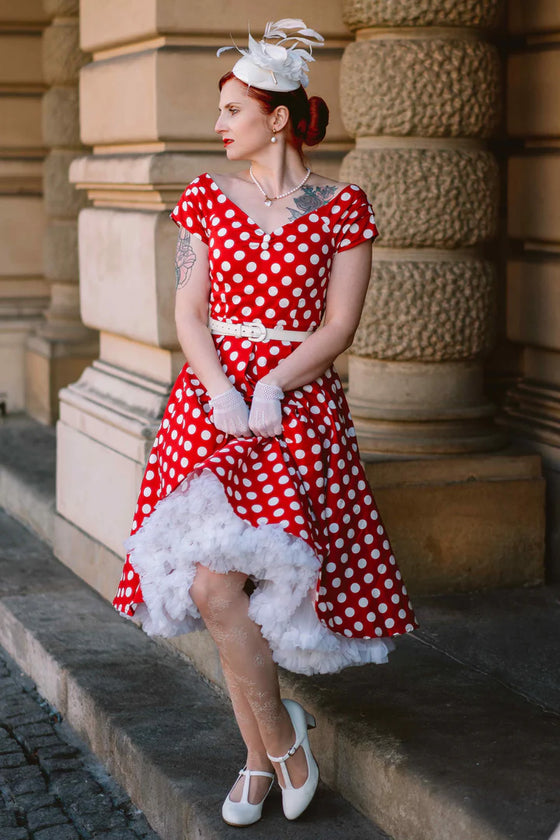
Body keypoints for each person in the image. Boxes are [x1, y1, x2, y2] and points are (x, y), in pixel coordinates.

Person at [112, 18, 418, 827]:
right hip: (211, 409)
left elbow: (339, 325)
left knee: (238, 585)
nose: (219, 124)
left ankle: (260, 756)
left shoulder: (343, 207)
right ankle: (277, 744)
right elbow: (189, 311)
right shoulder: (206, 199)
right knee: (212, 587)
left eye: (233, 109)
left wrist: (276, 384)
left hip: (298, 411)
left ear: (277, 117)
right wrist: (221, 388)